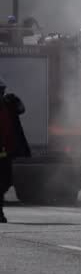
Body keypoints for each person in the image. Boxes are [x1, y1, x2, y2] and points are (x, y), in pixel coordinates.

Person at [0, 76, 31, 223]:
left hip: (7, 151)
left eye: (1, 90)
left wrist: (15, 100)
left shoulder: (8, 104)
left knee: (7, 180)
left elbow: (21, 109)